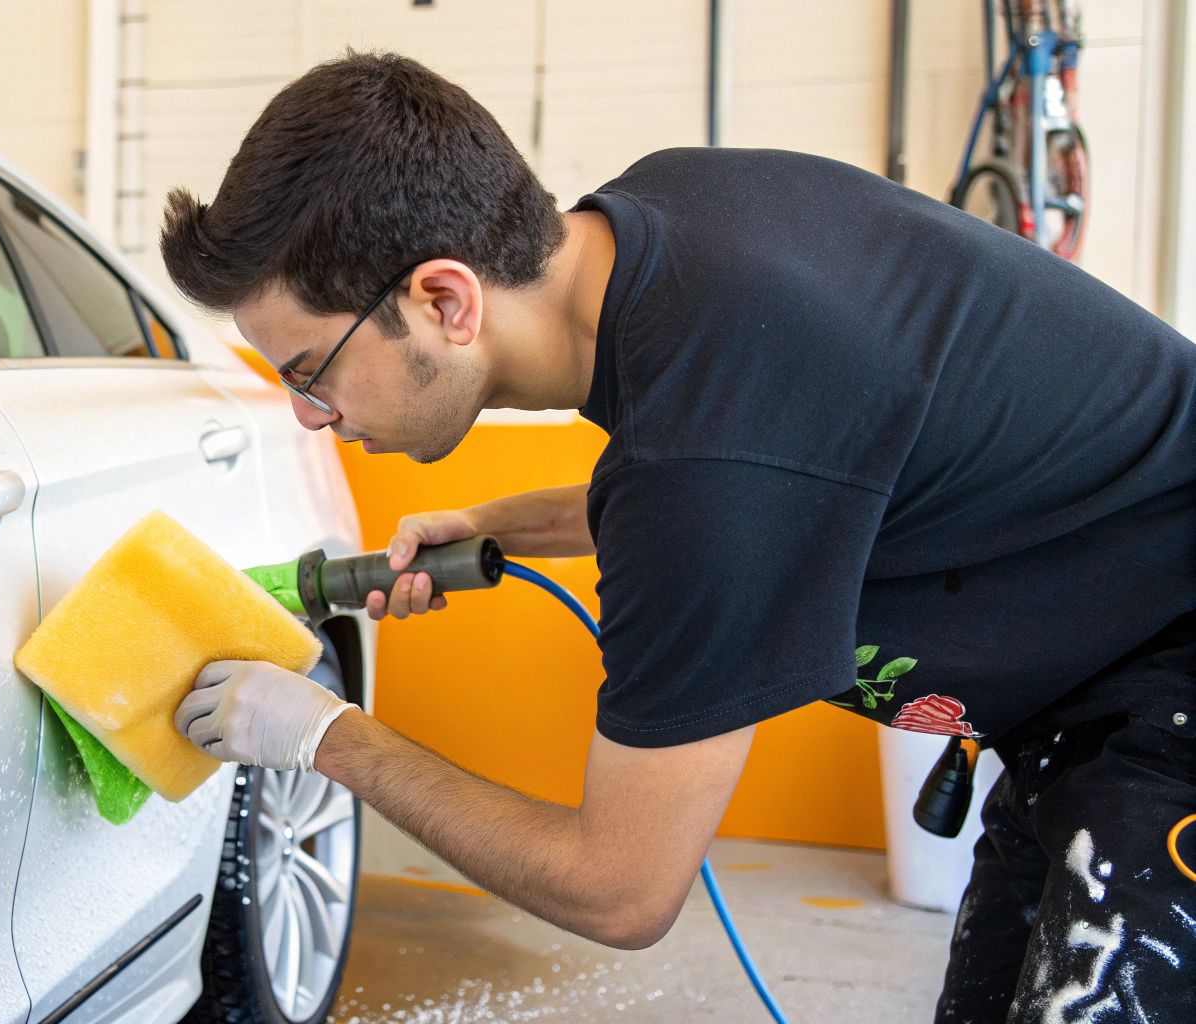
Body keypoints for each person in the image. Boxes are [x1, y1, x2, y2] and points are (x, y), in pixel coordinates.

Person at [163, 51, 1195, 1020]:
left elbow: (618, 889)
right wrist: (500, 525)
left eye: (309, 370)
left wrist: (321, 736)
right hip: (1085, 695)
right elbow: (778, 477)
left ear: (443, 299)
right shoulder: (664, 227)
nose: (307, 413)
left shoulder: (707, 461)